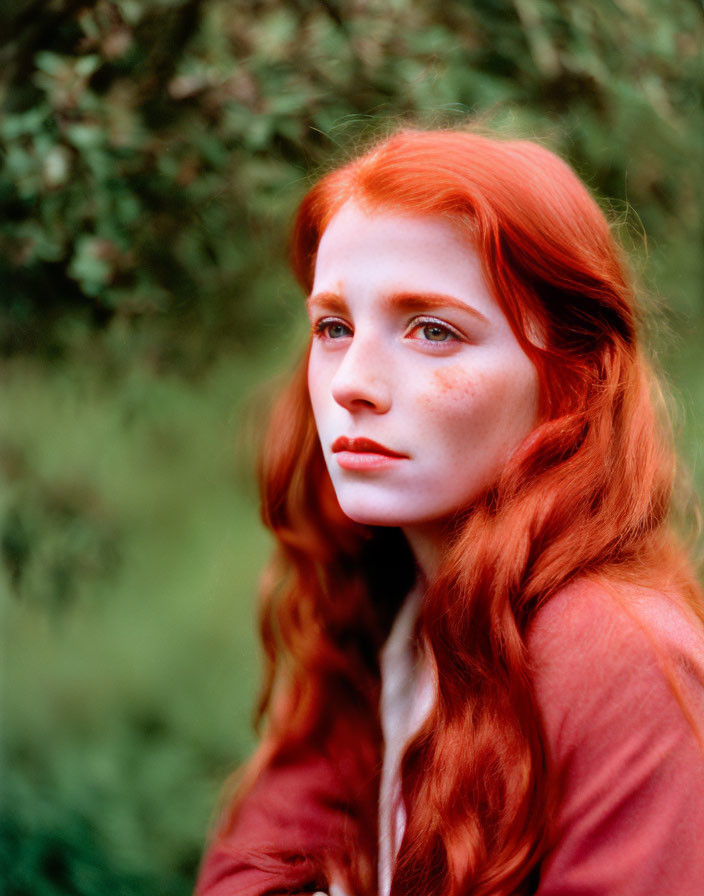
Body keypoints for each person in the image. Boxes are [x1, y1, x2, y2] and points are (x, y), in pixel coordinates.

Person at [195, 128, 704, 896]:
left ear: (570, 379)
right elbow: (257, 866)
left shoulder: (622, 659)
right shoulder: (391, 606)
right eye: (333, 327)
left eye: (432, 330)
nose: (350, 384)